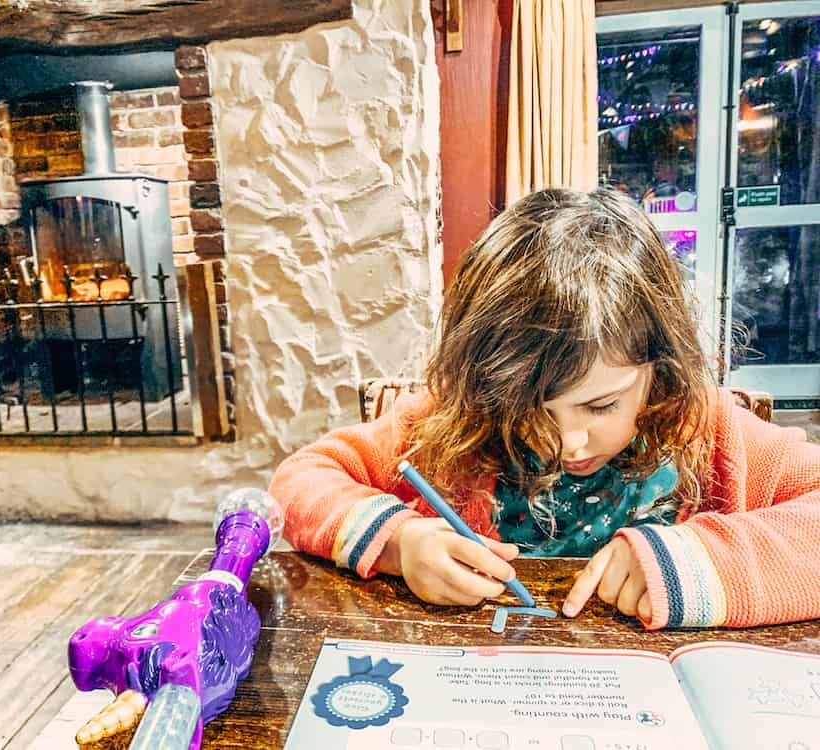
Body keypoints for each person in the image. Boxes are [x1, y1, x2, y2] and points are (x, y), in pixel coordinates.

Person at [268, 187, 820, 630]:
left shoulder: (708, 429)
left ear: (659, 366)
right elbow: (299, 482)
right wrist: (398, 543)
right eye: (531, 411)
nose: (567, 443)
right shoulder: (452, 421)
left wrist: (702, 563)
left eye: (601, 406)